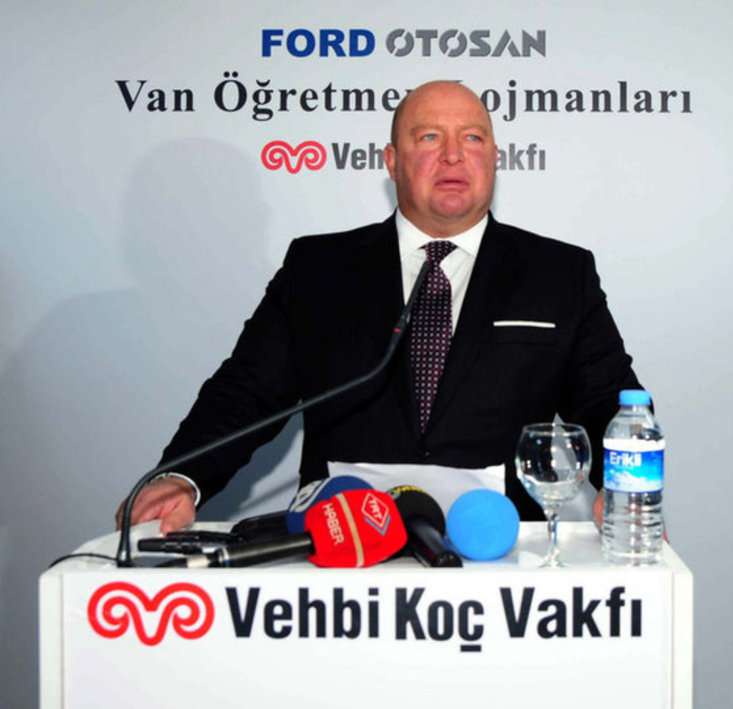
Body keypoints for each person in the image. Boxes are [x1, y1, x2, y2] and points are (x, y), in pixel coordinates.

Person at [116, 80, 641, 534]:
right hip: (340, 547)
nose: (453, 155)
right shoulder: (319, 268)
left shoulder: (559, 273)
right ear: (391, 162)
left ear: (495, 159)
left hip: (499, 550)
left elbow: (610, 405)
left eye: (473, 138)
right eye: (429, 137)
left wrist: (626, 486)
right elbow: (247, 393)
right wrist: (181, 477)